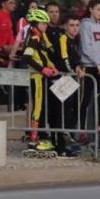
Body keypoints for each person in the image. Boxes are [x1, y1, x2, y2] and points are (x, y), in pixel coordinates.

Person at [21, 9, 59, 157]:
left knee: (40, 107)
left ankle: (35, 138)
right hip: (35, 76)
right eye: (43, 23)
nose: (46, 26)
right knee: (37, 107)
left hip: (40, 75)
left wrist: (51, 66)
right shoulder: (34, 37)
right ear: (36, 23)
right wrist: (43, 69)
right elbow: (26, 58)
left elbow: (42, 55)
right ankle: (33, 140)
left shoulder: (39, 35)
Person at [49, 14, 84, 157]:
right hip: (60, 79)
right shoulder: (63, 38)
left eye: (77, 25)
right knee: (60, 112)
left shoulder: (74, 41)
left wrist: (78, 67)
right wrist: (72, 70)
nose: (74, 28)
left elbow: (75, 59)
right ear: (65, 26)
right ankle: (59, 146)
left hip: (68, 79)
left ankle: (64, 145)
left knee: (69, 110)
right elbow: (64, 58)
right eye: (72, 25)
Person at [79, 0, 100, 143]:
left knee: (99, 98)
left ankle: (97, 127)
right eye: (98, 9)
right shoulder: (85, 25)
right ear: (91, 9)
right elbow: (87, 46)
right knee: (85, 100)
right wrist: (97, 63)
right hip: (89, 66)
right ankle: (81, 130)